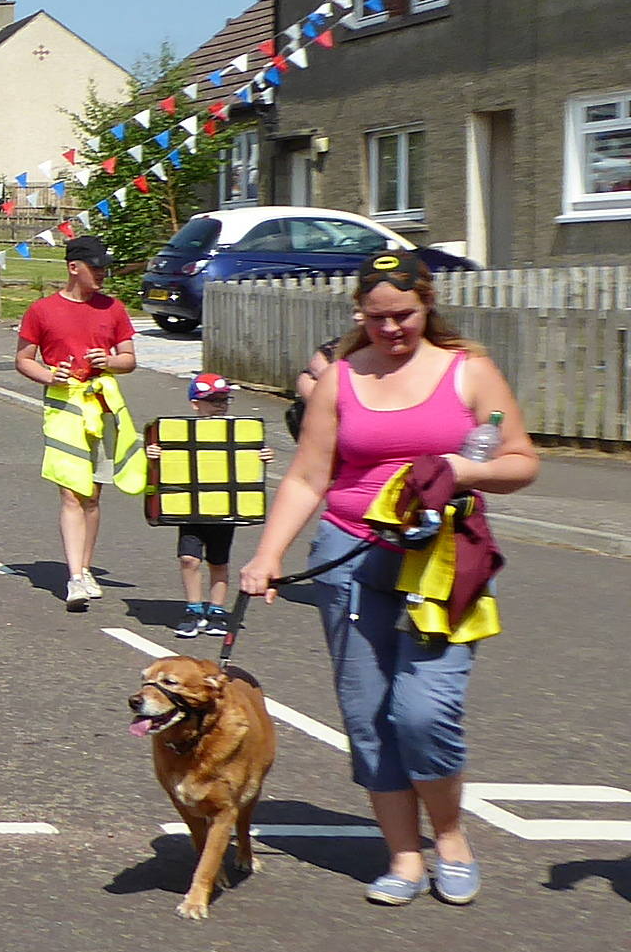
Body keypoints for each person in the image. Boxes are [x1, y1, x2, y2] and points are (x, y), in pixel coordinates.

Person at [240, 250, 538, 908]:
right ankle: (403, 856)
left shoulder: (470, 372)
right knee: (371, 717)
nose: (391, 330)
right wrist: (268, 554)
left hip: (444, 559)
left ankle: (450, 839)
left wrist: (464, 471)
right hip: (350, 555)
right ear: (360, 316)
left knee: (424, 710)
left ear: (426, 305)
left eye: (402, 316)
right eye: (377, 319)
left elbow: (520, 461)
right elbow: (307, 476)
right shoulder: (343, 379)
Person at [14, 236, 142, 611]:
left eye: (105, 267)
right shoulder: (42, 310)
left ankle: (85, 568)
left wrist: (110, 361)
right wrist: (49, 376)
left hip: (102, 405)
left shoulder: (113, 308)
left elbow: (129, 359)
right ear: (74, 267)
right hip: (64, 406)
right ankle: (74, 577)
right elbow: (24, 359)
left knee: (93, 494)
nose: (102, 273)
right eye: (95, 266)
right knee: (71, 489)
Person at [151, 372, 273, 640]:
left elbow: (249, 458)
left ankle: (217, 610)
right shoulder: (180, 433)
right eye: (212, 400)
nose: (219, 405)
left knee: (219, 562)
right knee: (188, 559)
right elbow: (164, 466)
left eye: (223, 400)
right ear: (195, 403)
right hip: (189, 508)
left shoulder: (239, 431)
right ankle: (193, 609)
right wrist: (155, 455)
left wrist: (264, 454)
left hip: (222, 508)